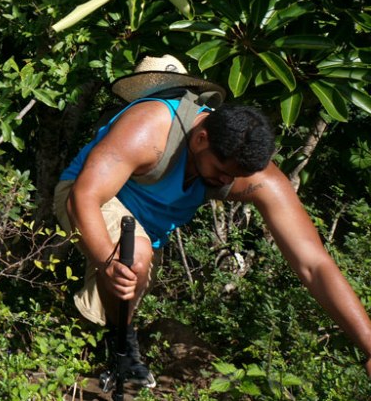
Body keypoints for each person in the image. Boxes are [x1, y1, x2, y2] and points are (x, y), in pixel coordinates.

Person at [54, 55, 371, 388]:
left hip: (145, 230)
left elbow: (313, 263)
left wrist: (367, 347)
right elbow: (84, 198)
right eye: (221, 171)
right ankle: (119, 349)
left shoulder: (250, 173)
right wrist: (107, 261)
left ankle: (108, 340)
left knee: (131, 273)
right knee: (132, 260)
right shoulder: (151, 126)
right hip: (84, 196)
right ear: (201, 138)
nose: (225, 181)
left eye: (235, 177)